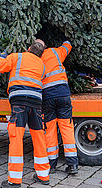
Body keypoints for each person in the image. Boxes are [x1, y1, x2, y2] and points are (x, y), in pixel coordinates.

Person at [0, 39, 50, 187]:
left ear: (28, 48)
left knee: (16, 138)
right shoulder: (42, 65)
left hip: (19, 102)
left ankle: (14, 180)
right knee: (39, 137)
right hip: (36, 102)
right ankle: (43, 175)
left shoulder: (16, 57)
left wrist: (2, 56)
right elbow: (42, 78)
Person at [41, 40, 78, 175]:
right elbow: (67, 46)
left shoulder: (35, 59)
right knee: (67, 129)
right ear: (46, 46)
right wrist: (67, 39)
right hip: (63, 95)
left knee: (49, 130)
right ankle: (72, 164)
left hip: (47, 97)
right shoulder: (56, 52)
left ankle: (52, 164)